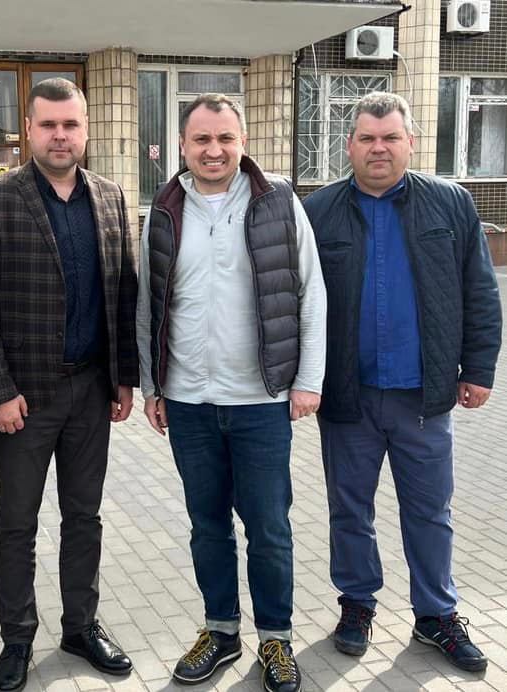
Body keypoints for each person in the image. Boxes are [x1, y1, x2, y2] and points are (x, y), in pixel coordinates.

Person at [303, 91, 501, 672]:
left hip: (423, 396)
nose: (379, 148)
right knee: (349, 510)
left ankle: (436, 614)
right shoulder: (317, 211)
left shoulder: (451, 203)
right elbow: (296, 301)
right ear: (349, 146)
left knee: (430, 512)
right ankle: (357, 604)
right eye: (367, 138)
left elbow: (480, 291)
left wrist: (479, 368)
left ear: (411, 142)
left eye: (390, 137)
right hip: (349, 396)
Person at [136, 93, 326, 692]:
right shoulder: (164, 209)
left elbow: (310, 293)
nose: (213, 150)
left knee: (268, 527)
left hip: (261, 401)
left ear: (242, 142)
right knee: (207, 525)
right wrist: (153, 385)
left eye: (225, 138)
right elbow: (148, 304)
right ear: (182, 145)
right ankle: (220, 632)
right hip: (189, 402)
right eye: (201, 139)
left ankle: (276, 639)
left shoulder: (279, 201)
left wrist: (308, 380)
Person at [0, 77, 138, 692]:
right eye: (48, 125)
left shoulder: (110, 197)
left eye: (71, 125)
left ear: (85, 129)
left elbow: (122, 292)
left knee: (84, 517)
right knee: (17, 523)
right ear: (29, 130)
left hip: (90, 390)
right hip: (24, 399)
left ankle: (81, 627)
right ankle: (17, 638)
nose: (60, 136)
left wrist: (123, 378)